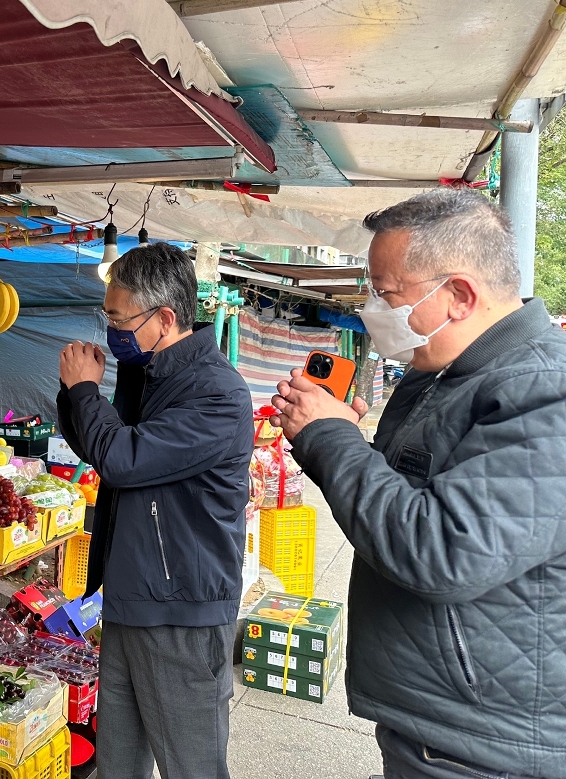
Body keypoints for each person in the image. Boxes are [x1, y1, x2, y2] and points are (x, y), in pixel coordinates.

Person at [270, 190, 566, 779]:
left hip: (482, 747)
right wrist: (334, 436)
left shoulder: (543, 389)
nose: (373, 309)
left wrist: (333, 438)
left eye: (387, 294)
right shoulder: (445, 373)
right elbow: (398, 502)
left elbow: (445, 551)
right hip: (442, 720)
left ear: (459, 295)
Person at [55, 242, 253, 779]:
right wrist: (75, 395)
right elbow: (100, 449)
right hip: (130, 596)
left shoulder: (217, 395)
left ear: (165, 318)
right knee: (118, 762)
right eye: (108, 317)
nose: (112, 330)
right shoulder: (147, 375)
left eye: (120, 319)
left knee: (192, 767)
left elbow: (124, 459)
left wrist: (87, 391)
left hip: (180, 610)